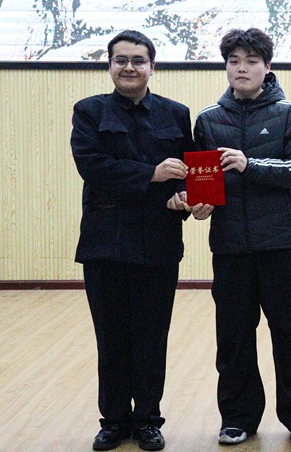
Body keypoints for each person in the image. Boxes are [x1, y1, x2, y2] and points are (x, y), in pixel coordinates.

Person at [185, 27, 291, 447]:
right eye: (234, 61)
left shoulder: (288, 113)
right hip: (229, 249)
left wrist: (250, 164)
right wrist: (199, 205)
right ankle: (238, 418)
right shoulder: (208, 119)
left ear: (267, 66)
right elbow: (201, 181)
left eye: (251, 61)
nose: (241, 69)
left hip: (280, 245)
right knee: (234, 338)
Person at [71, 30, 197, 451]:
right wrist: (151, 175)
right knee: (111, 338)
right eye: (121, 59)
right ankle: (113, 421)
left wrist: (186, 198)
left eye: (138, 60)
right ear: (109, 65)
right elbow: (92, 166)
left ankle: (147, 420)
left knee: (151, 336)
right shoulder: (88, 112)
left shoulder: (176, 114)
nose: (129, 67)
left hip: (159, 243)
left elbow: (189, 172)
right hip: (106, 244)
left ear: (152, 67)